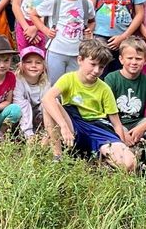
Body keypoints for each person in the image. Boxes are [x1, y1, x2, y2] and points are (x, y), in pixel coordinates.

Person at [43, 39, 137, 170]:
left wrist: (121, 144)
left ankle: (100, 160)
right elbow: (47, 99)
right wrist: (63, 126)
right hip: (74, 123)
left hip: (99, 127)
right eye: (93, 64)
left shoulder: (104, 88)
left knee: (129, 163)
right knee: (49, 104)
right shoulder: (68, 79)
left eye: (101, 67)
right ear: (80, 60)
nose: (96, 70)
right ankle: (57, 157)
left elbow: (116, 124)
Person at [34, 0, 89, 84]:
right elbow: (34, 14)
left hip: (77, 53)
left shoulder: (87, 4)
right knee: (54, 84)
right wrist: (45, 30)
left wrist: (88, 30)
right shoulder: (54, 0)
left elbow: (91, 21)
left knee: (74, 85)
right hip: (56, 51)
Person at [106, 36, 146, 145]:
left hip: (138, 123)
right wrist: (121, 131)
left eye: (138, 59)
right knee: (110, 128)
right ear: (121, 59)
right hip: (117, 123)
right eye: (129, 58)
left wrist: (142, 128)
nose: (134, 62)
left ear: (145, 60)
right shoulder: (111, 78)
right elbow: (106, 109)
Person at [13, 47, 49, 140]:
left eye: (38, 63)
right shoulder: (18, 81)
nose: (33, 65)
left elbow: (48, 103)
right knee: (25, 103)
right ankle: (28, 136)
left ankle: (48, 133)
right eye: (29, 62)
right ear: (21, 65)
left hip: (38, 116)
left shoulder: (45, 83)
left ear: (43, 67)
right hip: (21, 119)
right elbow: (19, 103)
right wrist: (28, 131)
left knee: (51, 102)